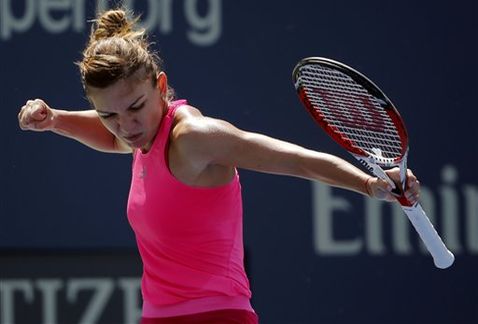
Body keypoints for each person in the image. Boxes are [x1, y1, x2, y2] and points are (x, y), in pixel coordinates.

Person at [17, 8, 420, 324]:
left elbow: (293, 159)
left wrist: (368, 184)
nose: (126, 126)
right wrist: (55, 120)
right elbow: (111, 138)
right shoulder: (138, 135)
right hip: (157, 317)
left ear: (160, 86)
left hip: (218, 316)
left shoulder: (194, 138)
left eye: (136, 107)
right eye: (110, 115)